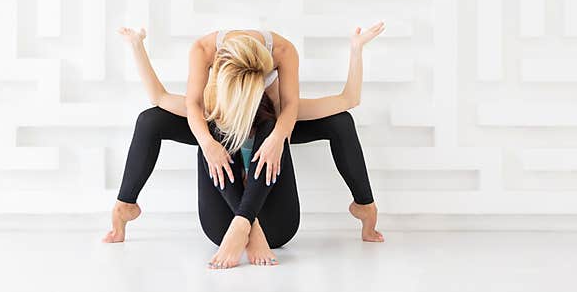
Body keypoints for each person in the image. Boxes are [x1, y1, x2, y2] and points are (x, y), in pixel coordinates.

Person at [105, 24, 385, 268]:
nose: (240, 114)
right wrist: (136, 46)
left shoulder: (280, 78)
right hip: (222, 227)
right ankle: (126, 207)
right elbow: (162, 98)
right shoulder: (207, 85)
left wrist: (277, 137)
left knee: (287, 125)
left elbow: (345, 102)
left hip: (278, 227)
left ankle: (362, 208)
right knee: (189, 125)